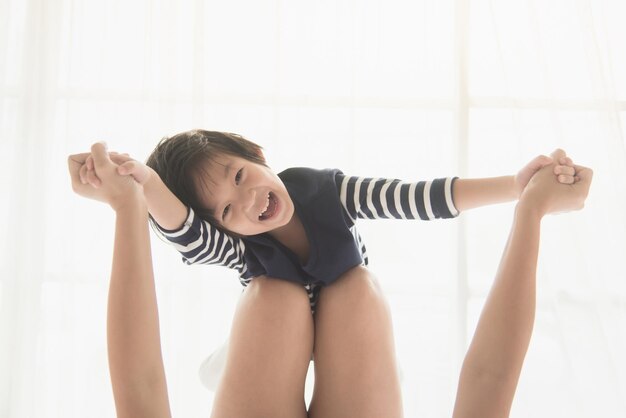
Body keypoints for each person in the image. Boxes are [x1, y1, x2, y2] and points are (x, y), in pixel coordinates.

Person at [68, 138, 591, 417]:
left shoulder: (326, 195)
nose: (248, 199)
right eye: (228, 208)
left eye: (240, 176)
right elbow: (184, 229)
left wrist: (129, 196)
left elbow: (415, 197)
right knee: (319, 293)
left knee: (314, 293)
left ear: (257, 156)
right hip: (304, 315)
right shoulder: (238, 245)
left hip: (303, 315)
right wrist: (530, 206)